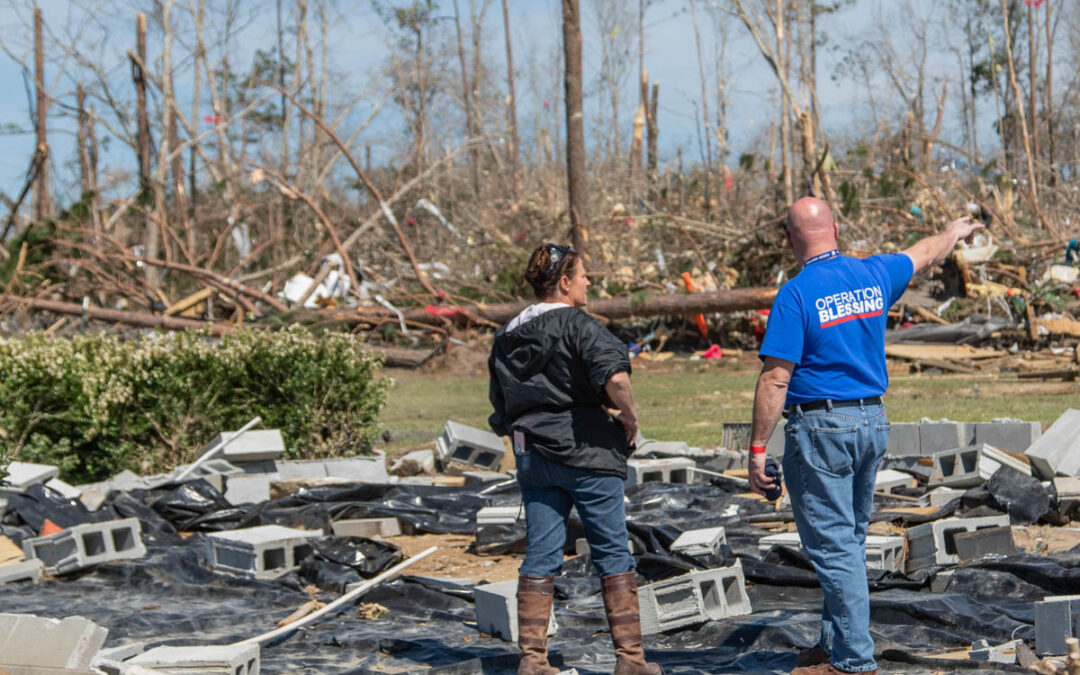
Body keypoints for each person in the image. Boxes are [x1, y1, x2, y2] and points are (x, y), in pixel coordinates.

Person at [748, 198, 983, 675]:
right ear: (835, 228)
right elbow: (923, 252)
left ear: (791, 240)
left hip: (823, 430)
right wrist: (953, 232)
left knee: (834, 547)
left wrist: (756, 450)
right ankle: (833, 645)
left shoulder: (795, 295)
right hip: (872, 423)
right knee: (848, 540)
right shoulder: (872, 274)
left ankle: (854, 662)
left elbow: (776, 379)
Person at [488, 243, 663, 675]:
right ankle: (630, 661)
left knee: (541, 554)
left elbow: (499, 404)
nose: (588, 282)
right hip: (587, 454)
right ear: (564, 282)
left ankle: (532, 661)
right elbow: (616, 377)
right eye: (583, 275)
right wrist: (629, 419)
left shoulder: (507, 335)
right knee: (612, 555)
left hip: (533, 457)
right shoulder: (581, 326)